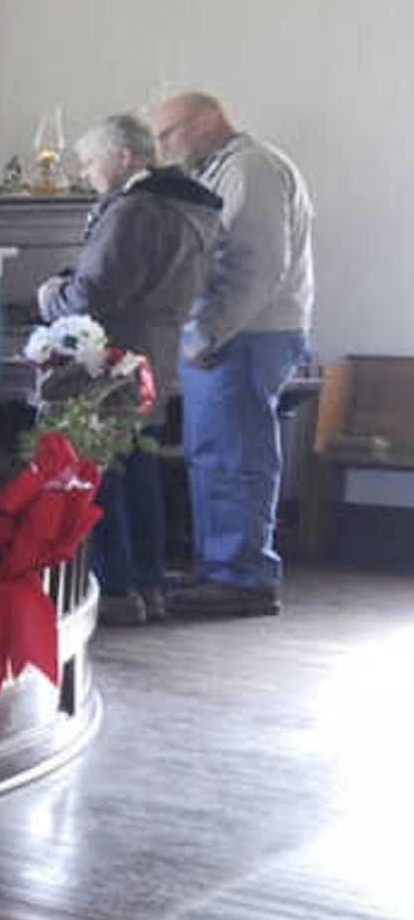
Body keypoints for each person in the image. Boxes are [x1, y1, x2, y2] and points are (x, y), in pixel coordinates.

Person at [35, 112, 219, 626]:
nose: (89, 173)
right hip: (153, 353)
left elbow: (97, 294)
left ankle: (114, 587)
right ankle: (148, 582)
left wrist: (53, 297)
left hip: (110, 359)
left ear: (122, 157)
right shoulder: (187, 204)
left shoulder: (135, 209)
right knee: (139, 468)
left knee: (106, 475)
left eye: (92, 162)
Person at [147, 90, 316, 617]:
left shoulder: (251, 168)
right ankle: (222, 570)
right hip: (241, 332)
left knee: (234, 454)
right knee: (216, 452)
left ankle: (241, 578)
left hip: (247, 333)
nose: (162, 146)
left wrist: (208, 331)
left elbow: (254, 264)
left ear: (206, 121)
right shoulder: (229, 166)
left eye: (169, 132)